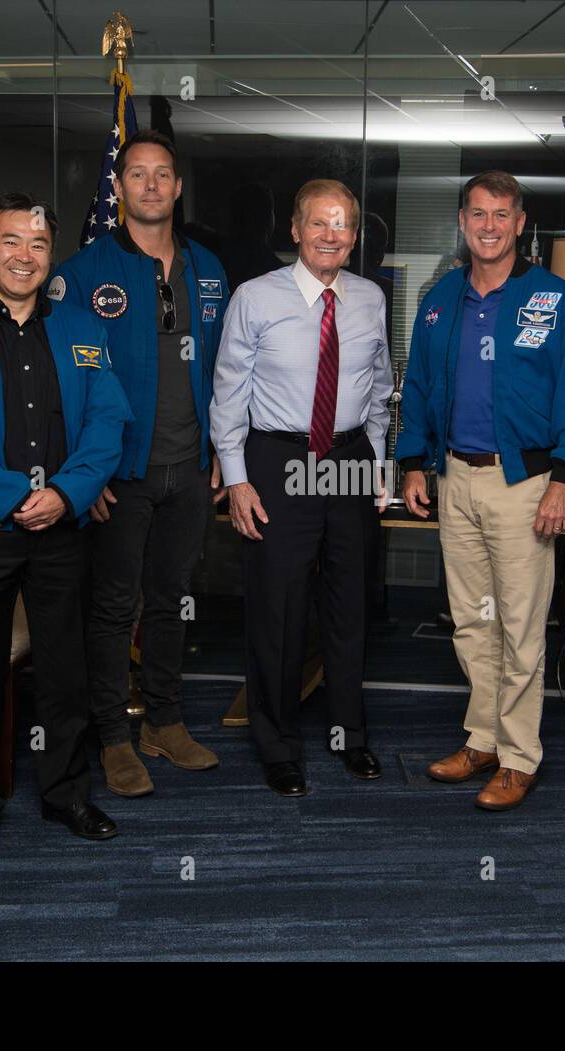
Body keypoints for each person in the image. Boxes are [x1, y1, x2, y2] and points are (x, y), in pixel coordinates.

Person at [0, 193, 131, 864]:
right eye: (10, 241)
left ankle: (67, 791)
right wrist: (19, 494)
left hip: (63, 527)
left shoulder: (84, 329)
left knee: (66, 668)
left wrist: (68, 494)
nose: (25, 255)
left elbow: (108, 423)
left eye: (38, 243)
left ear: (52, 255)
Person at [398, 170, 565, 811]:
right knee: (470, 624)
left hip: (525, 484)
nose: (489, 225)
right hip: (455, 477)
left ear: (520, 224)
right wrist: (412, 463)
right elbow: (422, 389)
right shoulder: (439, 300)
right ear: (463, 222)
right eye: (478, 213)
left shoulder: (555, 299)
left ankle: (519, 757)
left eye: (502, 214)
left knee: (519, 627)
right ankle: (482, 740)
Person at [50, 129, 230, 797]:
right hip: (117, 474)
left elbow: (228, 370)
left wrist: (223, 451)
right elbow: (65, 382)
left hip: (188, 468)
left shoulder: (207, 269)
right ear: (118, 188)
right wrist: (80, 473)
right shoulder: (82, 272)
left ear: (178, 188)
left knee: (171, 602)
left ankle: (164, 720)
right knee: (112, 606)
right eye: (138, 174)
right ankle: (113, 736)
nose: (151, 185)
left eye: (163, 175)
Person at [211, 178, 393, 797]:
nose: (330, 235)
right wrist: (236, 479)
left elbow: (379, 391)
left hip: (347, 463)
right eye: (319, 223)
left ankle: (350, 735)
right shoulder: (254, 298)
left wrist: (379, 467)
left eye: (342, 225)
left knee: (350, 608)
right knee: (278, 611)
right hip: (278, 461)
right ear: (294, 229)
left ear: (354, 235)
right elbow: (228, 393)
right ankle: (278, 744)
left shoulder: (370, 298)